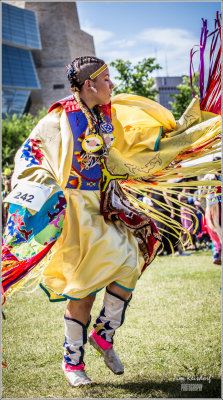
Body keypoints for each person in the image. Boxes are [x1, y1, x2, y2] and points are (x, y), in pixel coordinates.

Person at [2, 55, 221, 388]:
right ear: (89, 84)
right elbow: (30, 156)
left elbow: (132, 148)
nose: (112, 85)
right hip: (75, 209)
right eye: (106, 80)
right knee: (84, 290)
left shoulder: (108, 115)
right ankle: (72, 361)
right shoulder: (60, 116)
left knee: (133, 259)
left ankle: (104, 334)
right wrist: (43, 193)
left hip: (105, 204)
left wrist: (180, 138)